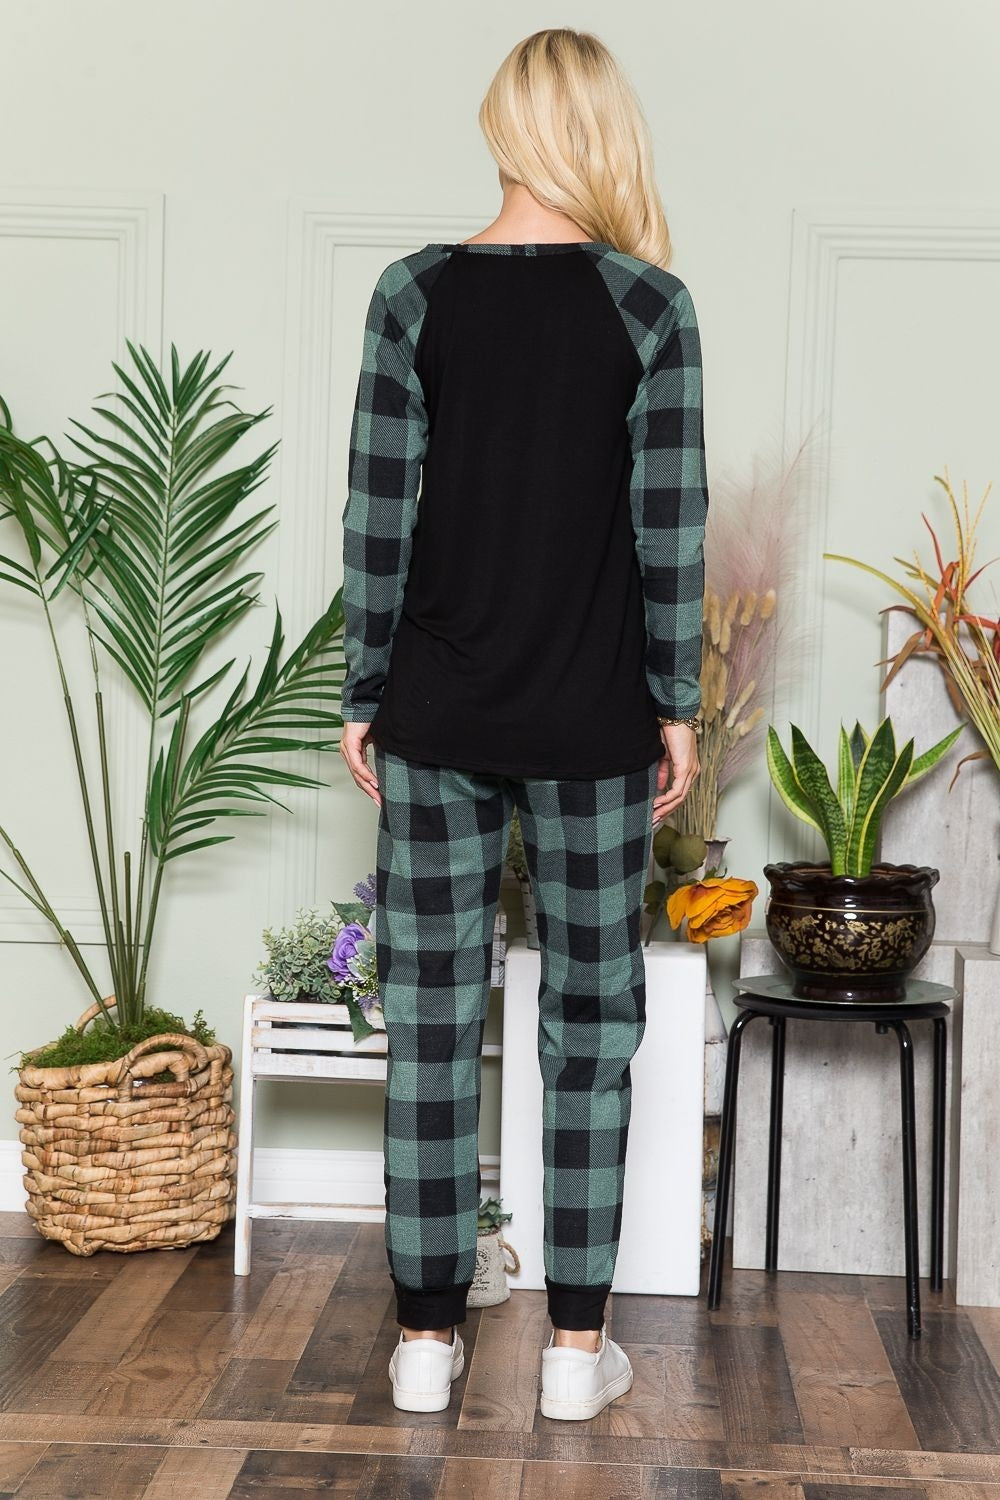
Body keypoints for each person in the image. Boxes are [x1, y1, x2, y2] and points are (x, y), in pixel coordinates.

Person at [338, 26, 708, 1420]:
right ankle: (571, 1356)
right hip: (597, 717)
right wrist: (672, 702)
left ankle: (427, 1344)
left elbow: (379, 516)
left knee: (433, 1020)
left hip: (437, 706)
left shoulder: (413, 294)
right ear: (606, 135)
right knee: (589, 1022)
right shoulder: (648, 304)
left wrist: (365, 691)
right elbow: (668, 530)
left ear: (501, 126)